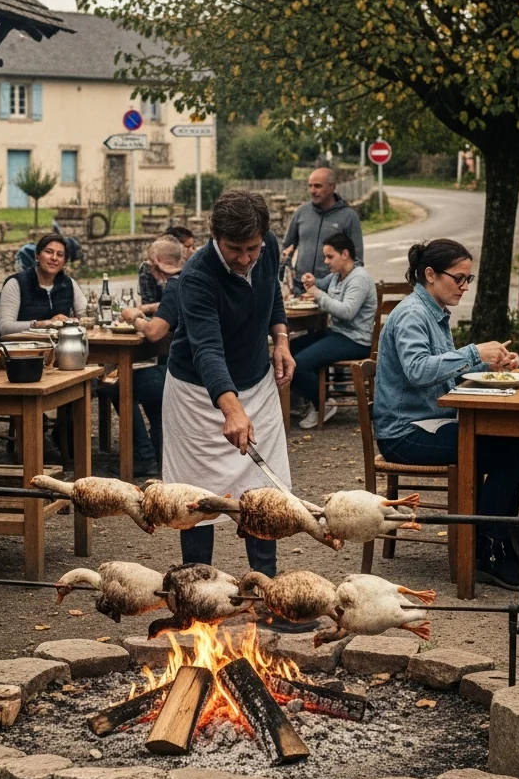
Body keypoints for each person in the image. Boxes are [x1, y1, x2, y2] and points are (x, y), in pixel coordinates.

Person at [372, 239, 519, 591]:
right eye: (459, 279)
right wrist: (473, 350)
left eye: (469, 279)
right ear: (430, 274)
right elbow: (418, 370)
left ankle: (497, 547)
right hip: (404, 433)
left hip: (430, 423)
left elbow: (444, 375)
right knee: (511, 451)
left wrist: (487, 362)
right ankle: (489, 551)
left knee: (511, 445)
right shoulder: (412, 315)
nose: (464, 287)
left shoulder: (434, 312)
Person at [162, 189, 294, 580]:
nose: (245, 258)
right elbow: (207, 350)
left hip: (256, 380)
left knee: (264, 493)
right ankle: (200, 595)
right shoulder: (197, 276)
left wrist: (281, 340)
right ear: (214, 235)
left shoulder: (267, 246)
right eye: (234, 248)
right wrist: (232, 409)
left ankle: (265, 591)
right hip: (197, 396)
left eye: (252, 248)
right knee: (197, 499)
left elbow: (272, 298)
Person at [292, 232, 377, 429]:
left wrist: (317, 294)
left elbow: (347, 312)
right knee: (291, 348)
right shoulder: (338, 276)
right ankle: (317, 396)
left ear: (345, 254)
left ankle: (322, 404)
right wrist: (312, 280)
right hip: (338, 334)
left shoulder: (359, 279)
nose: (326, 261)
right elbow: (321, 283)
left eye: (330, 256)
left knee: (299, 364)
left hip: (356, 340)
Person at [115, 263, 185, 476]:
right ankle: (156, 452)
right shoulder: (192, 278)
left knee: (119, 386)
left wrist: (133, 318)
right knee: (147, 385)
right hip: (183, 368)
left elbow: (154, 333)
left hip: (180, 372)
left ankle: (144, 456)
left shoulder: (175, 283)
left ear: (160, 268)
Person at [281, 167, 365, 294]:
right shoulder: (301, 212)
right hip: (300, 289)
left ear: (332, 187)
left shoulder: (349, 217)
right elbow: (287, 247)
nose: (312, 191)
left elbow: (357, 261)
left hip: (332, 292)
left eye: (318, 186)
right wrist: (288, 267)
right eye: (310, 186)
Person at [0, 233, 87, 337]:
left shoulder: (68, 283)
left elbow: (86, 315)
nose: (54, 258)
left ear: (64, 261)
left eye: (60, 255)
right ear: (37, 255)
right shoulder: (16, 283)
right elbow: (5, 327)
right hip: (23, 348)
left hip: (60, 347)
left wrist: (74, 321)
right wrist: (42, 324)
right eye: (49, 252)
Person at [136, 236, 184, 315]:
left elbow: (176, 305)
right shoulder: (146, 269)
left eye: (152, 264)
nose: (148, 266)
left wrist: (146, 308)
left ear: (157, 260)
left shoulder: (181, 279)